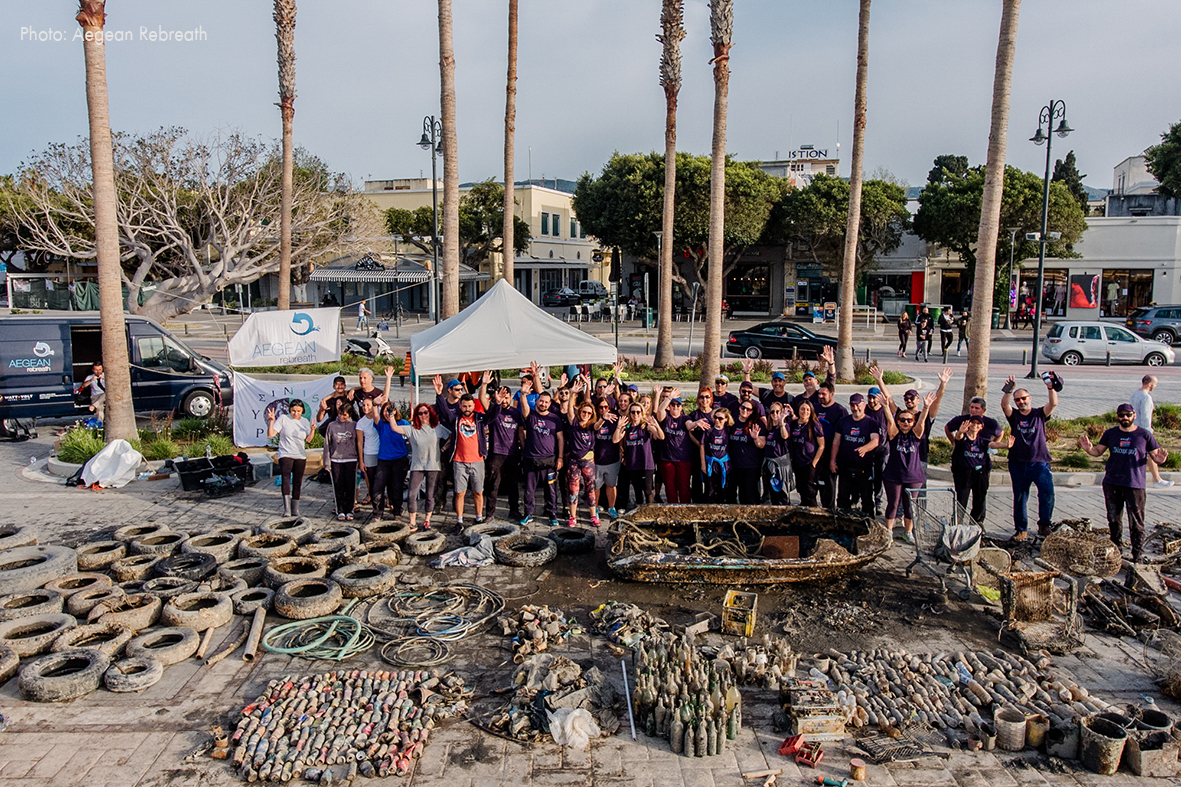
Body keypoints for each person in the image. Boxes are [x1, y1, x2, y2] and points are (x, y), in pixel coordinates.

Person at [1079, 402, 1170, 563]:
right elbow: (1098, 452)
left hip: (1134, 484)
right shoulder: (1111, 433)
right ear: (1117, 416)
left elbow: (1155, 456)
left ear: (1134, 415)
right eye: (1122, 415)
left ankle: (1138, 554)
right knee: (1113, 519)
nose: (1125, 418)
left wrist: (1160, 460)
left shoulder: (1144, 435)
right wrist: (1088, 449)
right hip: (1112, 482)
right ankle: (1116, 552)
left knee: (1136, 522)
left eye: (1128, 415)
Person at [1001, 373, 1059, 540]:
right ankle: (1021, 530)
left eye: (1023, 398)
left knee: (1047, 494)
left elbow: (1053, 403)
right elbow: (1004, 406)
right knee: (1020, 497)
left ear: (1030, 398)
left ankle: (1045, 525)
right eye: (1018, 399)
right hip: (1018, 463)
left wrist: (1050, 387)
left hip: (1039, 463)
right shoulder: (1014, 416)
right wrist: (1008, 391)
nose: (1021, 402)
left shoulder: (1039, 414)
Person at [382, 403, 450, 531]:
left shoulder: (437, 428)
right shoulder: (412, 429)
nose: (423, 415)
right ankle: (412, 521)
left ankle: (427, 521)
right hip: (417, 465)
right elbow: (395, 428)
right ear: (416, 416)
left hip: (433, 465)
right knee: (412, 494)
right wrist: (391, 415)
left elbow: (451, 435)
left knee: (430, 495)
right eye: (420, 413)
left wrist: (444, 448)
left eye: (425, 412)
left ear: (430, 413)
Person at [881, 393, 936, 543]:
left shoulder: (916, 434)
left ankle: (908, 532)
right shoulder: (894, 434)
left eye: (909, 420)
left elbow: (922, 422)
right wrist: (886, 406)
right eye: (902, 420)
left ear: (913, 422)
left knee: (910, 506)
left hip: (913, 476)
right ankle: (889, 532)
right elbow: (889, 421)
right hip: (893, 475)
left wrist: (925, 407)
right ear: (898, 421)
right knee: (893, 504)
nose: (905, 422)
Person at [438, 378, 492, 527]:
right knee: (459, 493)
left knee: (478, 492)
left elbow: (492, 415)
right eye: (464, 406)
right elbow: (443, 410)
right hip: (459, 461)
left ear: (473, 406)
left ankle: (479, 517)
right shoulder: (456, 420)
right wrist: (438, 394)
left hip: (477, 461)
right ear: (460, 406)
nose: (467, 408)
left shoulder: (479, 419)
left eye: (469, 406)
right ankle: (459, 520)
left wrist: (496, 401)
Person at [519, 366, 565, 527]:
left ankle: (552, 514)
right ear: (537, 401)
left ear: (549, 403)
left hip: (550, 461)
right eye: (541, 401)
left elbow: (560, 439)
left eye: (546, 402)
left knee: (551, 491)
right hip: (531, 460)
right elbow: (524, 407)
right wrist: (523, 393)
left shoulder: (555, 419)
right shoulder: (530, 416)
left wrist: (560, 458)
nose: (544, 404)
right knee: (529, 491)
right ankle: (528, 514)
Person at [950, 415, 1009, 525]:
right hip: (964, 474)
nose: (975, 425)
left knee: (979, 500)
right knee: (962, 500)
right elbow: (958, 438)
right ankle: (957, 524)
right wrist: (959, 432)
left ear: (981, 427)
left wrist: (1006, 445)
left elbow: (993, 444)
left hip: (980, 474)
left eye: (978, 424)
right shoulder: (963, 438)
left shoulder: (982, 441)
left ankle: (975, 524)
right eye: (973, 423)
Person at [831, 393, 881, 515]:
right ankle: (843, 522)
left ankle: (868, 522)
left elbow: (875, 441)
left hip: (863, 467)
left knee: (866, 498)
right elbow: (836, 442)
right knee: (843, 497)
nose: (855, 408)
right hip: (845, 466)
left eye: (857, 405)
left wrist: (865, 448)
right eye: (852, 406)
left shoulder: (871, 422)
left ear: (863, 405)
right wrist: (832, 461)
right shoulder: (843, 421)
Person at [266, 398, 315, 516]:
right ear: (290, 410)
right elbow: (271, 434)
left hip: (300, 455)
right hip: (285, 453)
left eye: (298, 411)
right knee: (286, 479)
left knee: (298, 482)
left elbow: (308, 439)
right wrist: (272, 421)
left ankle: (295, 509)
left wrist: (312, 430)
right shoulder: (283, 419)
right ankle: (286, 509)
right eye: (293, 411)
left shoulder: (304, 421)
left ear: (302, 411)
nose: (295, 413)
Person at [613, 401, 665, 507]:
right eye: (633, 412)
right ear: (630, 413)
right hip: (633, 464)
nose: (635, 415)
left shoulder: (645, 426)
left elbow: (661, 436)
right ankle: (639, 512)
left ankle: (650, 512)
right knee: (637, 491)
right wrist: (619, 427)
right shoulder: (627, 428)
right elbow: (615, 440)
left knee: (648, 490)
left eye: (638, 412)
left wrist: (656, 425)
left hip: (646, 463)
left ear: (642, 413)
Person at [485, 385, 524, 521]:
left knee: (513, 484)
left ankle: (514, 510)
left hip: (512, 453)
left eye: (507, 398)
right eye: (502, 397)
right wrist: (496, 401)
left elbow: (520, 431)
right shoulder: (494, 410)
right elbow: (483, 402)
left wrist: (523, 449)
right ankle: (489, 514)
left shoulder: (516, 413)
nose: (504, 400)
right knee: (493, 485)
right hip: (496, 453)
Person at [1131, 374, 1174, 488]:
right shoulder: (1146, 398)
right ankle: (1157, 480)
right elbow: (1145, 416)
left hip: (1134, 428)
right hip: (1143, 430)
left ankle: (1156, 479)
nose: (1155, 386)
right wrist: (1148, 432)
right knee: (1154, 453)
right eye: (1155, 384)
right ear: (1150, 384)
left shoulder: (1135, 394)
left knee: (1146, 454)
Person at [370, 401, 410, 521]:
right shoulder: (381, 424)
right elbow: (375, 415)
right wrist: (374, 404)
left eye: (390, 410)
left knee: (397, 487)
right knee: (378, 487)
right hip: (384, 460)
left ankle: (397, 511)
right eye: (385, 411)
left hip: (400, 460)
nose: (388, 413)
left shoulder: (403, 423)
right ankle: (377, 513)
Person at [565, 399, 601, 527]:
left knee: (590, 489)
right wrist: (572, 393)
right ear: (580, 412)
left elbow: (598, 426)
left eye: (589, 413)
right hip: (574, 460)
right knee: (573, 490)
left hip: (588, 461)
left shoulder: (592, 425)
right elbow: (569, 411)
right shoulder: (574, 422)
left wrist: (604, 418)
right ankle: (572, 517)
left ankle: (593, 516)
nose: (586, 415)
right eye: (584, 412)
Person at [812, 382, 848, 509]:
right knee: (816, 484)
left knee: (829, 485)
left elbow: (842, 437)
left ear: (832, 394)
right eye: (819, 393)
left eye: (824, 394)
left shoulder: (840, 411)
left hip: (830, 454)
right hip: (816, 454)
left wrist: (835, 459)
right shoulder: (814, 408)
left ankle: (830, 511)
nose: (820, 396)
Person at [655, 388, 694, 504]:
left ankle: (685, 508)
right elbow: (659, 410)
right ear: (669, 406)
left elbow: (689, 425)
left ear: (681, 407)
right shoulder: (666, 418)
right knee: (670, 485)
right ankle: (673, 507)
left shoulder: (685, 418)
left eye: (678, 405)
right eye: (673, 405)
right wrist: (669, 397)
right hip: (667, 458)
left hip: (683, 459)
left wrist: (696, 424)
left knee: (684, 485)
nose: (675, 407)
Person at [324, 404, 361, 521]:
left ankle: (350, 509)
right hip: (336, 459)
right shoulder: (332, 426)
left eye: (344, 415)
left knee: (350, 486)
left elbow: (359, 443)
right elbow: (327, 444)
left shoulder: (354, 425)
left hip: (351, 459)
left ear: (349, 414)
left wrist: (360, 460)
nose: (341, 417)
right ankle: (340, 509)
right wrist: (327, 462)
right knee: (338, 485)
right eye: (340, 414)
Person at [729, 399, 766, 504]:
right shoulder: (733, 422)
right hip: (735, 464)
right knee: (735, 494)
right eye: (742, 407)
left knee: (749, 494)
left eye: (748, 409)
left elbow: (761, 444)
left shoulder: (757, 424)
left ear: (752, 411)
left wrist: (755, 438)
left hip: (751, 465)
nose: (745, 410)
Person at [788, 399, 824, 507]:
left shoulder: (814, 425)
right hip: (798, 462)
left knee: (810, 491)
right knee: (801, 488)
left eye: (807, 409)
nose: (805, 412)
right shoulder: (794, 424)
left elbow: (822, 446)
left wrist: (814, 463)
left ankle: (813, 512)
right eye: (802, 409)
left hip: (809, 462)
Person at [593, 397, 622, 517]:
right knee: (596, 487)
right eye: (601, 407)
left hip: (612, 458)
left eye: (606, 407)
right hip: (596, 460)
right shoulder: (594, 419)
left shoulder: (614, 420)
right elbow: (595, 428)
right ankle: (594, 509)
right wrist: (602, 420)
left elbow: (619, 438)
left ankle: (611, 508)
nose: (604, 409)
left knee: (611, 485)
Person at [865, 386, 891, 515]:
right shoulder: (865, 411)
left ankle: (878, 502)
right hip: (868, 450)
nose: (871, 400)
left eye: (874, 398)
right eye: (869, 397)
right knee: (867, 477)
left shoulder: (884, 412)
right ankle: (866, 501)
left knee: (879, 477)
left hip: (882, 450)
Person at [763, 402, 793, 505]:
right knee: (773, 494)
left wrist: (782, 422)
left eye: (777, 412)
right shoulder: (768, 428)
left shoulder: (784, 426)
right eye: (772, 412)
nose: (775, 414)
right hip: (770, 464)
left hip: (780, 465)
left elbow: (785, 436)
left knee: (782, 494)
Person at [700, 408, 733, 503]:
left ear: (726, 419)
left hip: (724, 463)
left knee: (722, 490)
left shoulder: (728, 431)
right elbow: (702, 445)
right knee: (709, 490)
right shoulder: (709, 430)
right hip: (711, 463)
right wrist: (703, 464)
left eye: (720, 418)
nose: (717, 420)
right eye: (715, 417)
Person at [355, 396, 381, 506]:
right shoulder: (361, 422)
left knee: (383, 477)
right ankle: (374, 500)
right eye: (363, 405)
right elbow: (360, 443)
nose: (365, 407)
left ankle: (388, 500)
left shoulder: (379, 417)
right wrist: (361, 460)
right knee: (371, 480)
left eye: (368, 405)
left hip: (381, 452)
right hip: (369, 452)